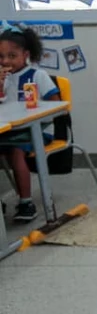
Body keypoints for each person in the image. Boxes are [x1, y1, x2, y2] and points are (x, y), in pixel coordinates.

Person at [0, 26, 60, 223]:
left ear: (25, 54)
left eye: (12, 55)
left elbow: (57, 104)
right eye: (1, 57)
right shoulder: (3, 78)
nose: (6, 61)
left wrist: (34, 109)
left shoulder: (38, 75)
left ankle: (26, 201)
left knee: (15, 151)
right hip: (11, 129)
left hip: (37, 129)